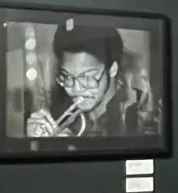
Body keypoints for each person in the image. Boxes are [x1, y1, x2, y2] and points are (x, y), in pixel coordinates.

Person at [25, 23, 158, 139]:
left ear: (112, 69)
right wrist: (36, 143)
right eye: (66, 76)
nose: (75, 89)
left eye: (87, 77)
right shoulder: (57, 111)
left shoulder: (141, 112)